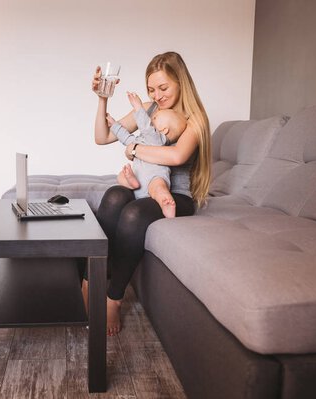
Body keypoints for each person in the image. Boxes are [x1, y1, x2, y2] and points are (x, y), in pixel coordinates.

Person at [84, 51, 211, 336]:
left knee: (133, 213)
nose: (157, 95)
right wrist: (102, 98)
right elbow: (102, 137)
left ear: (181, 83)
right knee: (115, 196)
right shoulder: (149, 109)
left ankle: (114, 297)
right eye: (152, 89)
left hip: (175, 194)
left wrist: (135, 148)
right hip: (144, 186)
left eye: (163, 88)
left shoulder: (195, 118)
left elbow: (177, 156)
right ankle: (91, 279)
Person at [108, 90, 187, 218]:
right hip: (139, 179)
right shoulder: (143, 140)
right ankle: (132, 182)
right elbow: (126, 139)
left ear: (164, 130)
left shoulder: (158, 139)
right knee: (121, 176)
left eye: (155, 118)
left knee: (159, 189)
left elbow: (146, 126)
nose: (151, 119)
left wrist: (138, 106)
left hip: (155, 178)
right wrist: (114, 125)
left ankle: (166, 203)